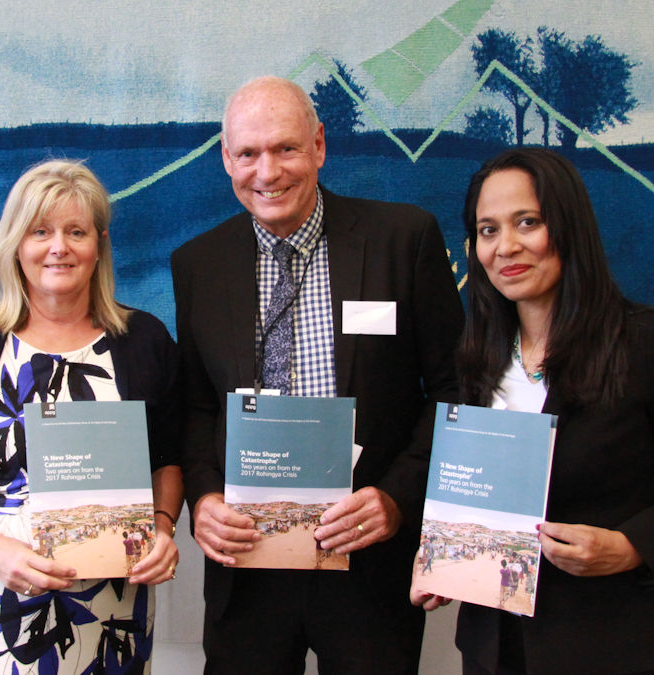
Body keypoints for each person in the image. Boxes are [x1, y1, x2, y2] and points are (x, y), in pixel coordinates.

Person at [410, 148, 654, 674]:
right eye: (488, 230)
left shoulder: (647, 342)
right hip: (497, 649)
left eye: (528, 222)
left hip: (621, 646)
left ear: (568, 227)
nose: (508, 247)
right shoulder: (474, 357)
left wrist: (632, 545)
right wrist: (445, 556)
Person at [170, 76, 464, 674]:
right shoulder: (198, 264)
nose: (267, 171)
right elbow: (198, 407)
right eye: (248, 153)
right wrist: (202, 499)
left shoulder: (402, 240)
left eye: (285, 149)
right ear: (227, 158)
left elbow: (455, 390)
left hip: (367, 560)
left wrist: (398, 498)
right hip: (246, 564)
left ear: (320, 146)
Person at [0, 160, 184, 673]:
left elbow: (167, 460)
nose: (59, 247)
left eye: (76, 232)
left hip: (112, 606)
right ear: (15, 244)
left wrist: (163, 528)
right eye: (41, 231)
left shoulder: (145, 342)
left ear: (98, 245)